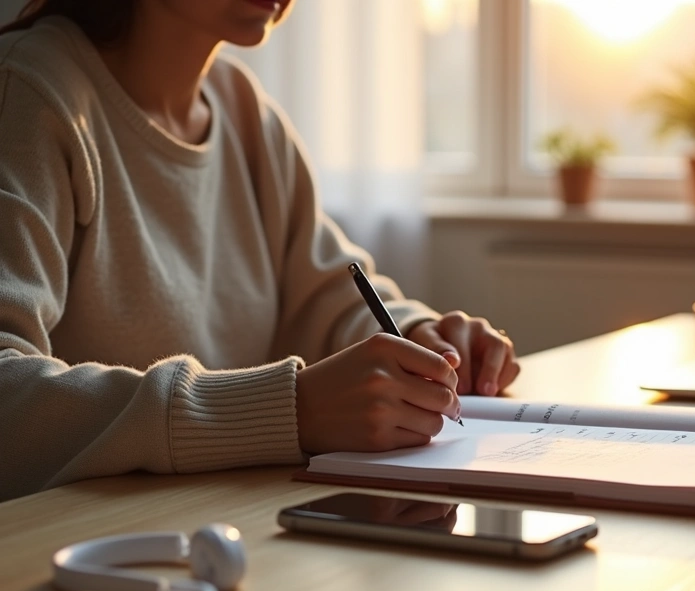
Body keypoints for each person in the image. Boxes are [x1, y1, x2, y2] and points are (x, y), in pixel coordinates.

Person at [0, 0, 519, 502]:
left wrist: (422, 339)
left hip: (220, 526)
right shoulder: (28, 94)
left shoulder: (244, 110)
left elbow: (328, 293)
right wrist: (288, 411)